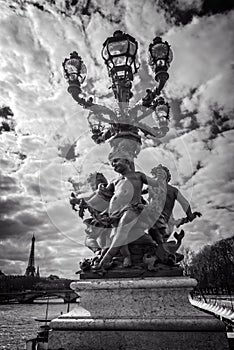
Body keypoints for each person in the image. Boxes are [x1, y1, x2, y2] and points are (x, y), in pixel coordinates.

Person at [98, 158, 167, 268]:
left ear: (127, 161)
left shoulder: (138, 175)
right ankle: (127, 256)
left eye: (116, 161)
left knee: (122, 230)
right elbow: (106, 193)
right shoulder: (114, 181)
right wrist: (100, 188)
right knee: (116, 236)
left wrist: (161, 177)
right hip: (115, 213)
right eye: (112, 163)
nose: (114, 164)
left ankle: (107, 257)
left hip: (133, 207)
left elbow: (155, 183)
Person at [149, 166, 201, 244]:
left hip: (164, 223)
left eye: (161, 173)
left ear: (166, 176)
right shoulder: (152, 188)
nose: (159, 175)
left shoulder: (173, 190)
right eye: (158, 173)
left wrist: (190, 215)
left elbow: (184, 203)